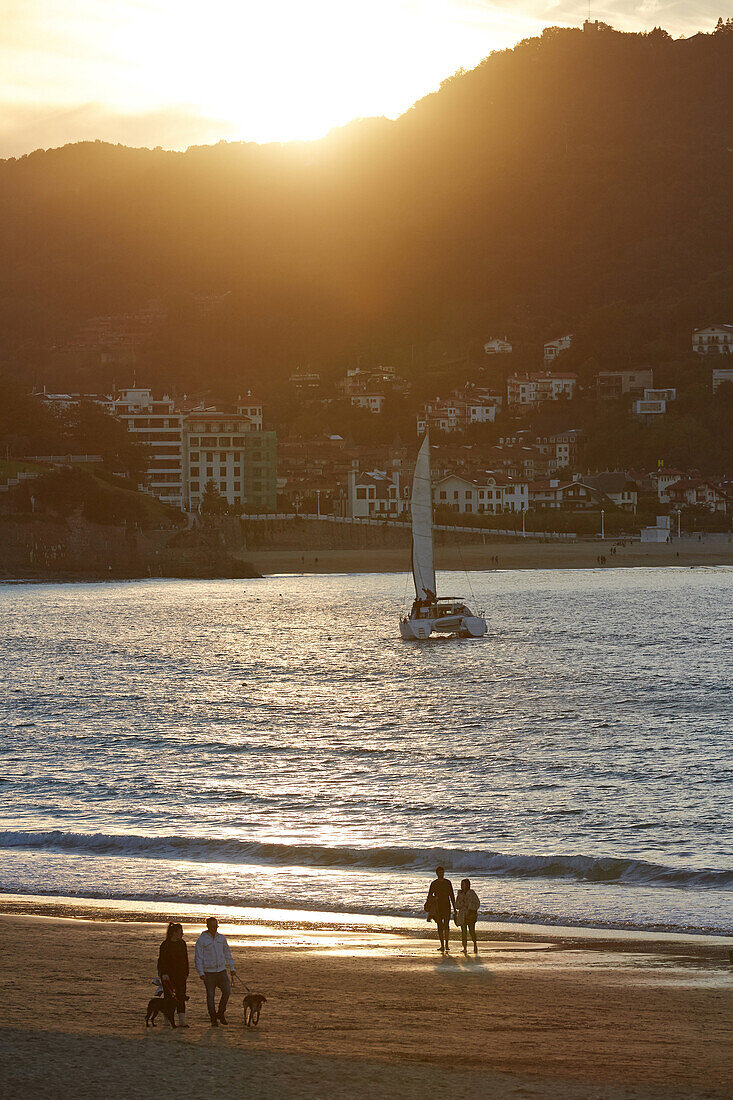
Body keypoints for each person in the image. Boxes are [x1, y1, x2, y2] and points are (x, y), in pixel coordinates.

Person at [194, 917, 237, 1026]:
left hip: (221, 970)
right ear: (207, 926)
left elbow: (227, 953)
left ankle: (221, 1012)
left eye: (216, 926)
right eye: (212, 926)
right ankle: (213, 1017)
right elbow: (198, 957)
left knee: (227, 991)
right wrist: (201, 972)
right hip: (208, 972)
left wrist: (232, 968)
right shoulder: (202, 939)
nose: (214, 928)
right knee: (210, 995)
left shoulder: (222, 938)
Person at [157, 922, 190, 1027]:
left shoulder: (182, 944)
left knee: (181, 996)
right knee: (168, 997)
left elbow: (185, 959)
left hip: (180, 975)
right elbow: (162, 961)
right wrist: (164, 974)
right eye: (181, 932)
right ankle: (167, 1020)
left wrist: (186, 972)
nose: (182, 934)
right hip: (168, 976)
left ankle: (181, 1021)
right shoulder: (165, 944)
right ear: (174, 933)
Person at [425, 866, 456, 953]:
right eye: (440, 872)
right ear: (437, 873)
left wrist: (455, 908)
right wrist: (434, 898)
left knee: (446, 925)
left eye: (442, 872)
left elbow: (452, 896)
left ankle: (446, 944)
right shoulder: (434, 883)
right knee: (439, 926)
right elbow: (429, 896)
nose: (441, 874)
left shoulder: (448, 883)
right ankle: (442, 945)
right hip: (438, 907)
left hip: (447, 906)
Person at [455, 878, 481, 954]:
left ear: (467, 885)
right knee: (463, 932)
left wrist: (468, 905)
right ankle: (465, 947)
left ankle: (475, 945)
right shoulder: (460, 893)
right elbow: (456, 905)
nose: (461, 886)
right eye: (461, 884)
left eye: (463, 884)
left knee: (471, 931)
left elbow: (477, 904)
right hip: (462, 915)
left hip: (470, 915)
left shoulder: (472, 893)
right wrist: (461, 904)